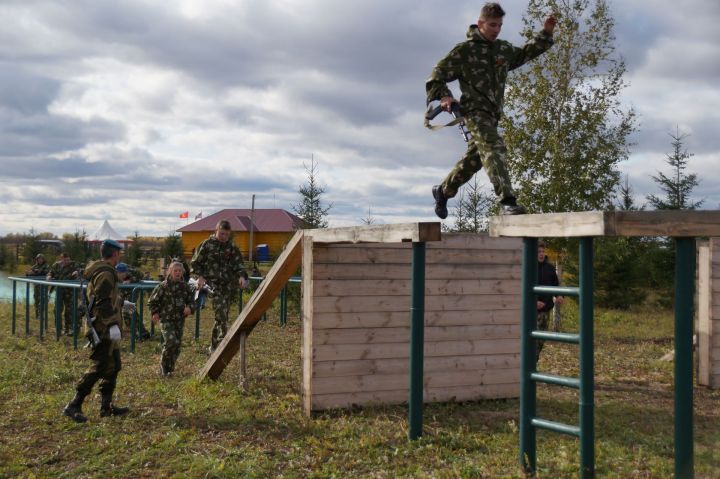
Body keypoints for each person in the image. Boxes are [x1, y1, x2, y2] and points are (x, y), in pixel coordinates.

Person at [426, 2, 556, 218]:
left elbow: (525, 53)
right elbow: (436, 76)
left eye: (500, 26)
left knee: (476, 159)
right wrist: (445, 95)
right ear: (480, 24)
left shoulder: (503, 49)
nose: (496, 30)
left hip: (493, 114)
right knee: (494, 147)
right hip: (474, 112)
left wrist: (546, 33)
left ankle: (443, 190)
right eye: (492, 25)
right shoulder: (465, 51)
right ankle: (507, 201)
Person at [63, 239, 129, 423]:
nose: (120, 256)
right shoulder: (106, 273)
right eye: (119, 253)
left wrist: (122, 303)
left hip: (103, 326)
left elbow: (103, 297)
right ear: (115, 254)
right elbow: (102, 302)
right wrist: (111, 325)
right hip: (102, 328)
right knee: (99, 366)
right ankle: (73, 405)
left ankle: (106, 407)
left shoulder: (101, 270)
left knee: (114, 365)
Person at [190, 220, 249, 352]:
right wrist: (200, 276)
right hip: (212, 284)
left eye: (227, 235)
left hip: (227, 286)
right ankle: (223, 342)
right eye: (222, 234)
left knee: (222, 316)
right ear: (216, 231)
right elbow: (195, 262)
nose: (224, 237)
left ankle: (214, 348)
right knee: (221, 314)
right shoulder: (207, 244)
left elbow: (238, 263)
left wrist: (241, 276)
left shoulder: (231, 247)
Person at [148, 261, 196, 376]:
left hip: (179, 320)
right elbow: (152, 301)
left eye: (179, 271)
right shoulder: (163, 286)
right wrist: (155, 313)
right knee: (170, 341)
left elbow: (192, 302)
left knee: (177, 346)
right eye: (175, 271)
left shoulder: (185, 287)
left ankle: (170, 367)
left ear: (182, 272)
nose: (177, 273)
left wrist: (190, 308)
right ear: (170, 272)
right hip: (166, 319)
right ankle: (164, 366)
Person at [536, 242, 564, 361]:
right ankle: (531, 369)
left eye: (543, 251)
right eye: (538, 252)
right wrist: (534, 302)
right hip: (532, 311)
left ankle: (533, 366)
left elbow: (555, 285)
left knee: (541, 341)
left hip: (546, 311)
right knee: (533, 342)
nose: (541, 254)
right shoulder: (528, 268)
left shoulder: (550, 268)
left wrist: (560, 295)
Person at [46, 252, 82, 336]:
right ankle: (58, 328)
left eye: (68, 260)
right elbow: (50, 272)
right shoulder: (56, 265)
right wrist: (49, 276)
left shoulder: (73, 264)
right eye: (65, 260)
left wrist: (77, 272)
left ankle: (68, 329)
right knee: (57, 310)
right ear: (61, 259)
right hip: (59, 290)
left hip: (70, 291)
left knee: (69, 311)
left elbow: (80, 270)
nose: (67, 262)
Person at [116, 262, 150, 340]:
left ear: (126, 272)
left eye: (122, 273)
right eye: (118, 273)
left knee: (128, 310)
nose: (120, 275)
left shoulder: (133, 272)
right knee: (125, 314)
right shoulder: (113, 274)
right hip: (122, 292)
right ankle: (134, 332)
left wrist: (130, 280)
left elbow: (141, 276)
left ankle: (143, 332)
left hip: (132, 290)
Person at [26, 253, 50, 319]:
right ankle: (37, 315)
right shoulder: (34, 266)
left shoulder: (46, 266)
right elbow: (29, 274)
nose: (40, 260)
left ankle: (41, 314)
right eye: (38, 259)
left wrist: (37, 272)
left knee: (43, 300)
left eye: (41, 259)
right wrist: (29, 273)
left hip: (43, 285)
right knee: (36, 300)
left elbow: (45, 273)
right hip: (36, 286)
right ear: (36, 259)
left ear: (43, 259)